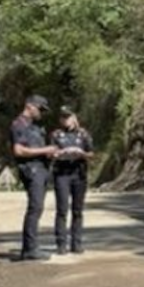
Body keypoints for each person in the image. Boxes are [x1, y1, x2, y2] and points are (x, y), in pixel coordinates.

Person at [9, 94, 59, 261]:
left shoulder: (35, 127)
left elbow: (35, 148)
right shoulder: (19, 124)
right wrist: (45, 151)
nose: (41, 113)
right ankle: (29, 249)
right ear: (30, 106)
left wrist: (50, 153)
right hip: (31, 170)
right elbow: (19, 150)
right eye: (40, 109)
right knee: (35, 208)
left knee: (37, 208)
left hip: (41, 168)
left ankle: (31, 247)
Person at [50, 107, 94, 256]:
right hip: (62, 173)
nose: (66, 120)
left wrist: (82, 153)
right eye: (63, 118)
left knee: (78, 210)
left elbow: (91, 153)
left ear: (74, 117)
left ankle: (77, 243)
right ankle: (61, 244)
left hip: (79, 173)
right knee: (62, 209)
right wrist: (61, 153)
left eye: (68, 117)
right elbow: (50, 153)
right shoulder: (56, 135)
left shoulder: (83, 134)